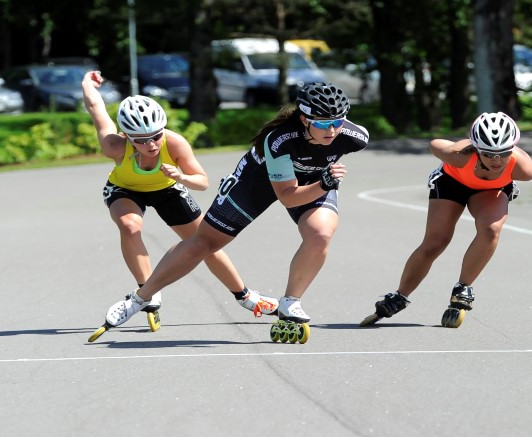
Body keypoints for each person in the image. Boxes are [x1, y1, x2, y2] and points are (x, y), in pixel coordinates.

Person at [99, 82, 369, 340]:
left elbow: (320, 166)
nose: (332, 130)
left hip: (314, 180)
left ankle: (291, 303)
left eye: (337, 122)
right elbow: (288, 197)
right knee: (204, 243)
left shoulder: (355, 136)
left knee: (320, 234)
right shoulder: (279, 141)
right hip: (258, 181)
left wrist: (323, 182)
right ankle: (140, 298)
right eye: (323, 123)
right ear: (304, 119)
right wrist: (324, 183)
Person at [82, 70, 277, 329]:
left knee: (205, 243)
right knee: (130, 227)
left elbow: (203, 181)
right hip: (124, 189)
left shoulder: (174, 143)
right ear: (128, 137)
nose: (151, 144)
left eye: (156, 136)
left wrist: (181, 176)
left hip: (168, 188)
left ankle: (245, 296)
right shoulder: (114, 146)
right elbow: (96, 108)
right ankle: (146, 294)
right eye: (142, 140)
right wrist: (87, 83)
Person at [361, 111, 532, 328]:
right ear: (477, 148)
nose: (496, 160)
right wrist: (466, 144)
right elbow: (434, 144)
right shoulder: (460, 155)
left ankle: (463, 288)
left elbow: (531, 169)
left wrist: (506, 152)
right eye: (488, 153)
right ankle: (400, 295)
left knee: (491, 230)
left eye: (503, 153)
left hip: (490, 190)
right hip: (452, 183)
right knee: (436, 242)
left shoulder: (523, 168)